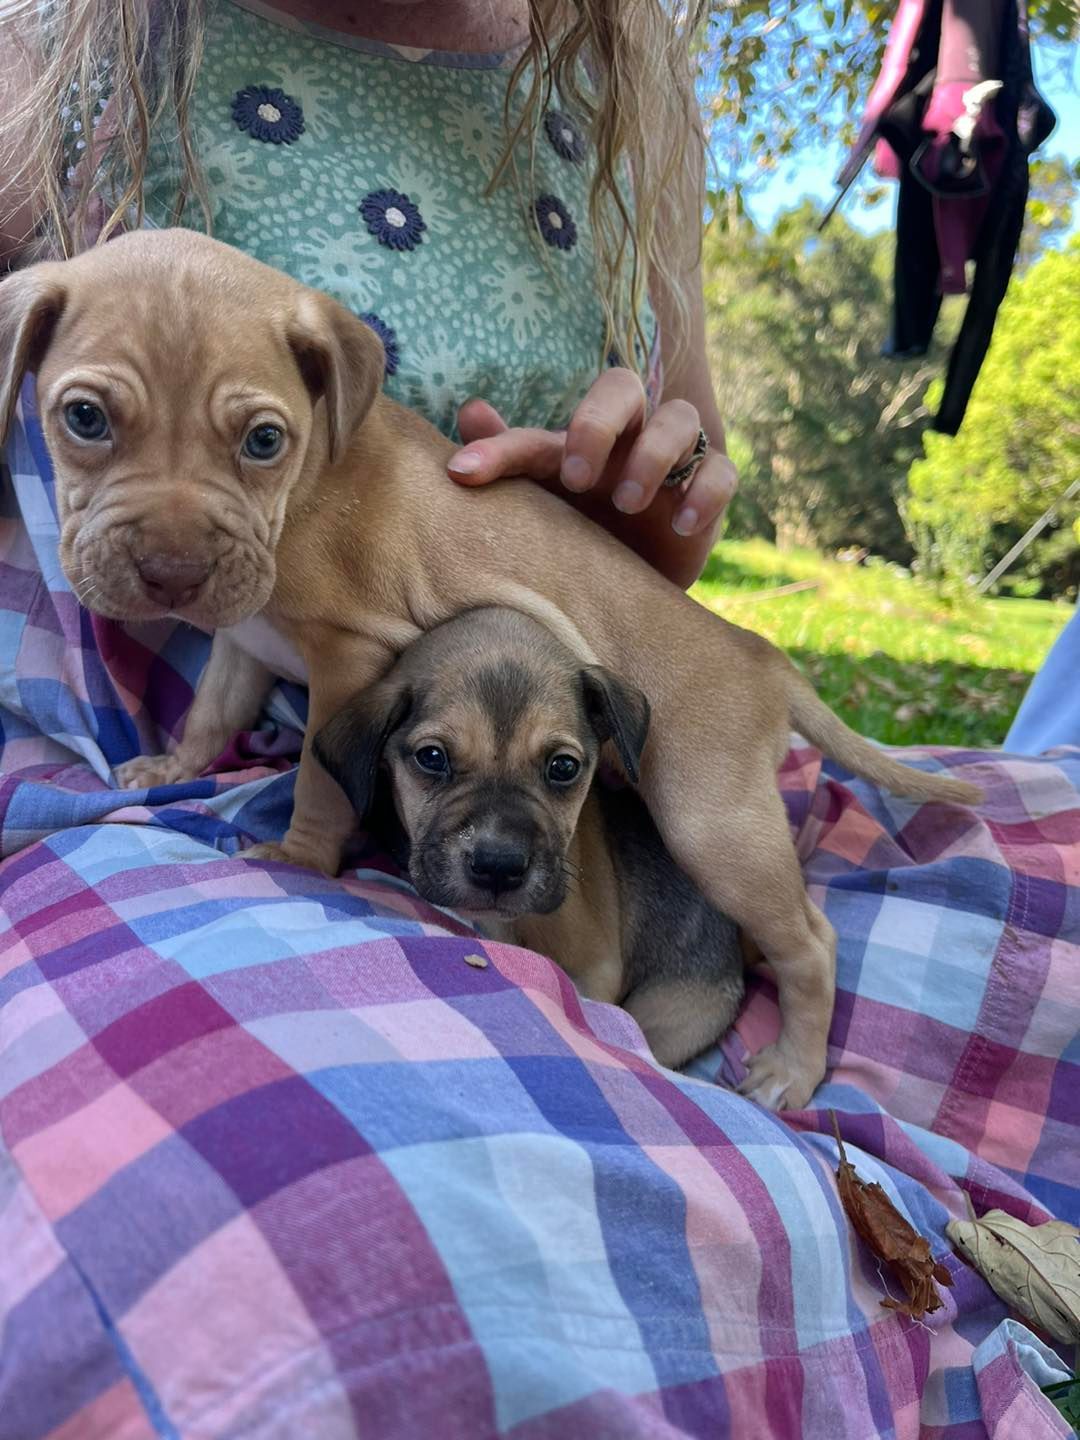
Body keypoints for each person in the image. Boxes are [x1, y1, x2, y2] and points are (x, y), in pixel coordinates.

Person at [1, 5, 1077, 1436]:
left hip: (576, 767)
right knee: (329, 1239)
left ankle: (793, 996)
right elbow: (288, 641)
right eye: (94, 422)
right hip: (170, 805)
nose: (181, 534)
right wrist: (276, 807)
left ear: (324, 398)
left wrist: (650, 514)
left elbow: (593, 595)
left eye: (261, 442)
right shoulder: (56, 55)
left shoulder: (631, 83)